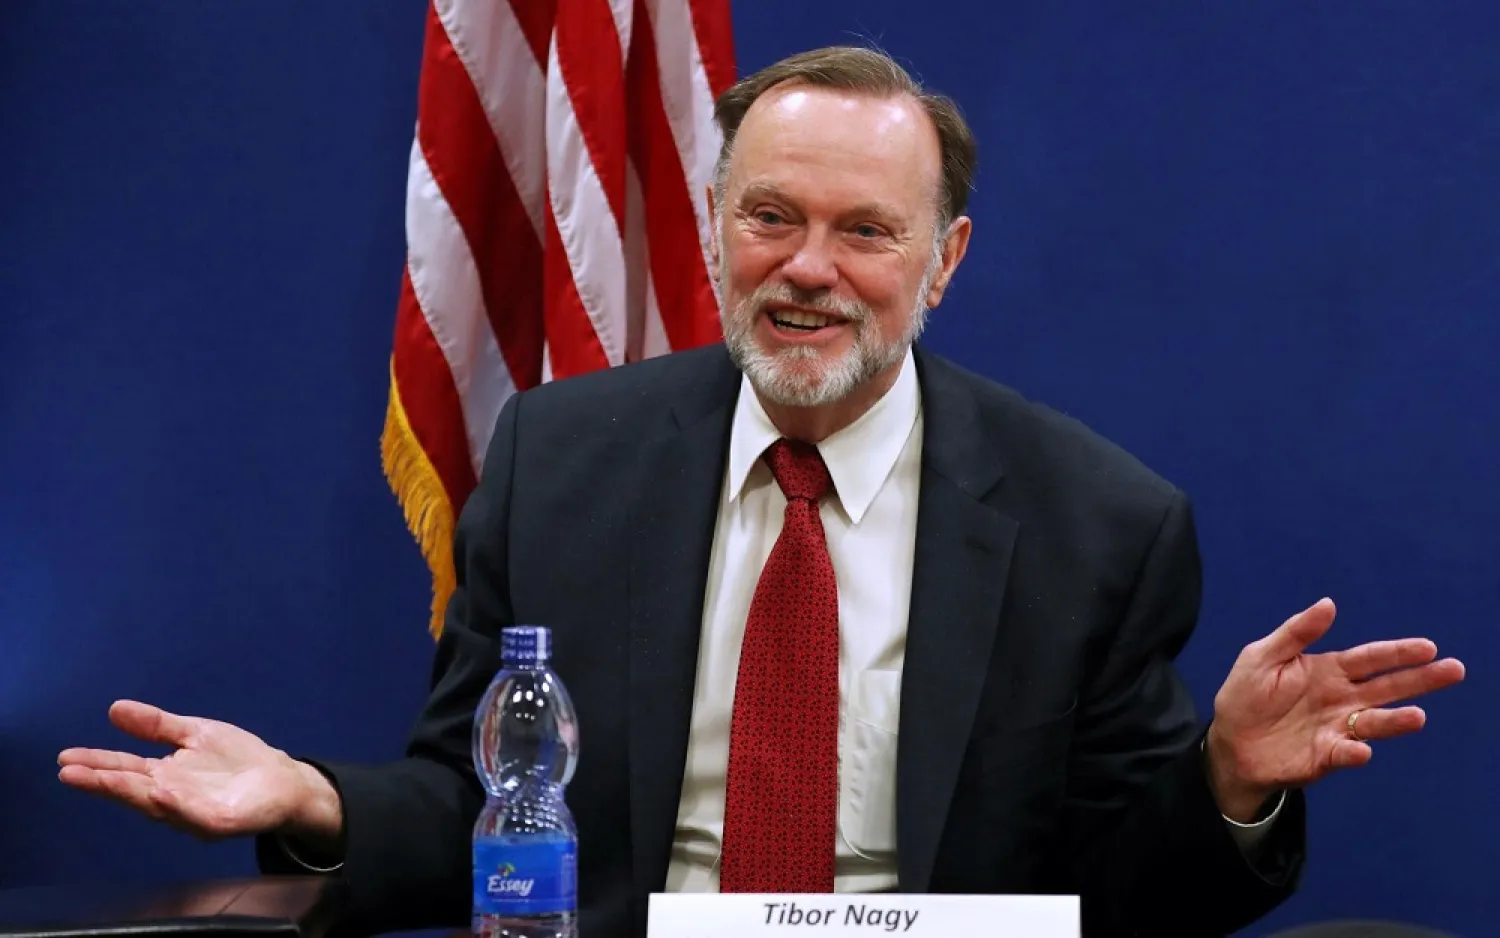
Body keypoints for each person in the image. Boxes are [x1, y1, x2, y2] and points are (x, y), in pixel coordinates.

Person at [57, 46, 1464, 937]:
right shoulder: (561, 463)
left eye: (867, 232)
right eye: (771, 217)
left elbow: (1117, 898)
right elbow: (487, 814)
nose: (807, 269)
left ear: (945, 261)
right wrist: (310, 795)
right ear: (716, 224)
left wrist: (1224, 783)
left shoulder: (1096, 522)